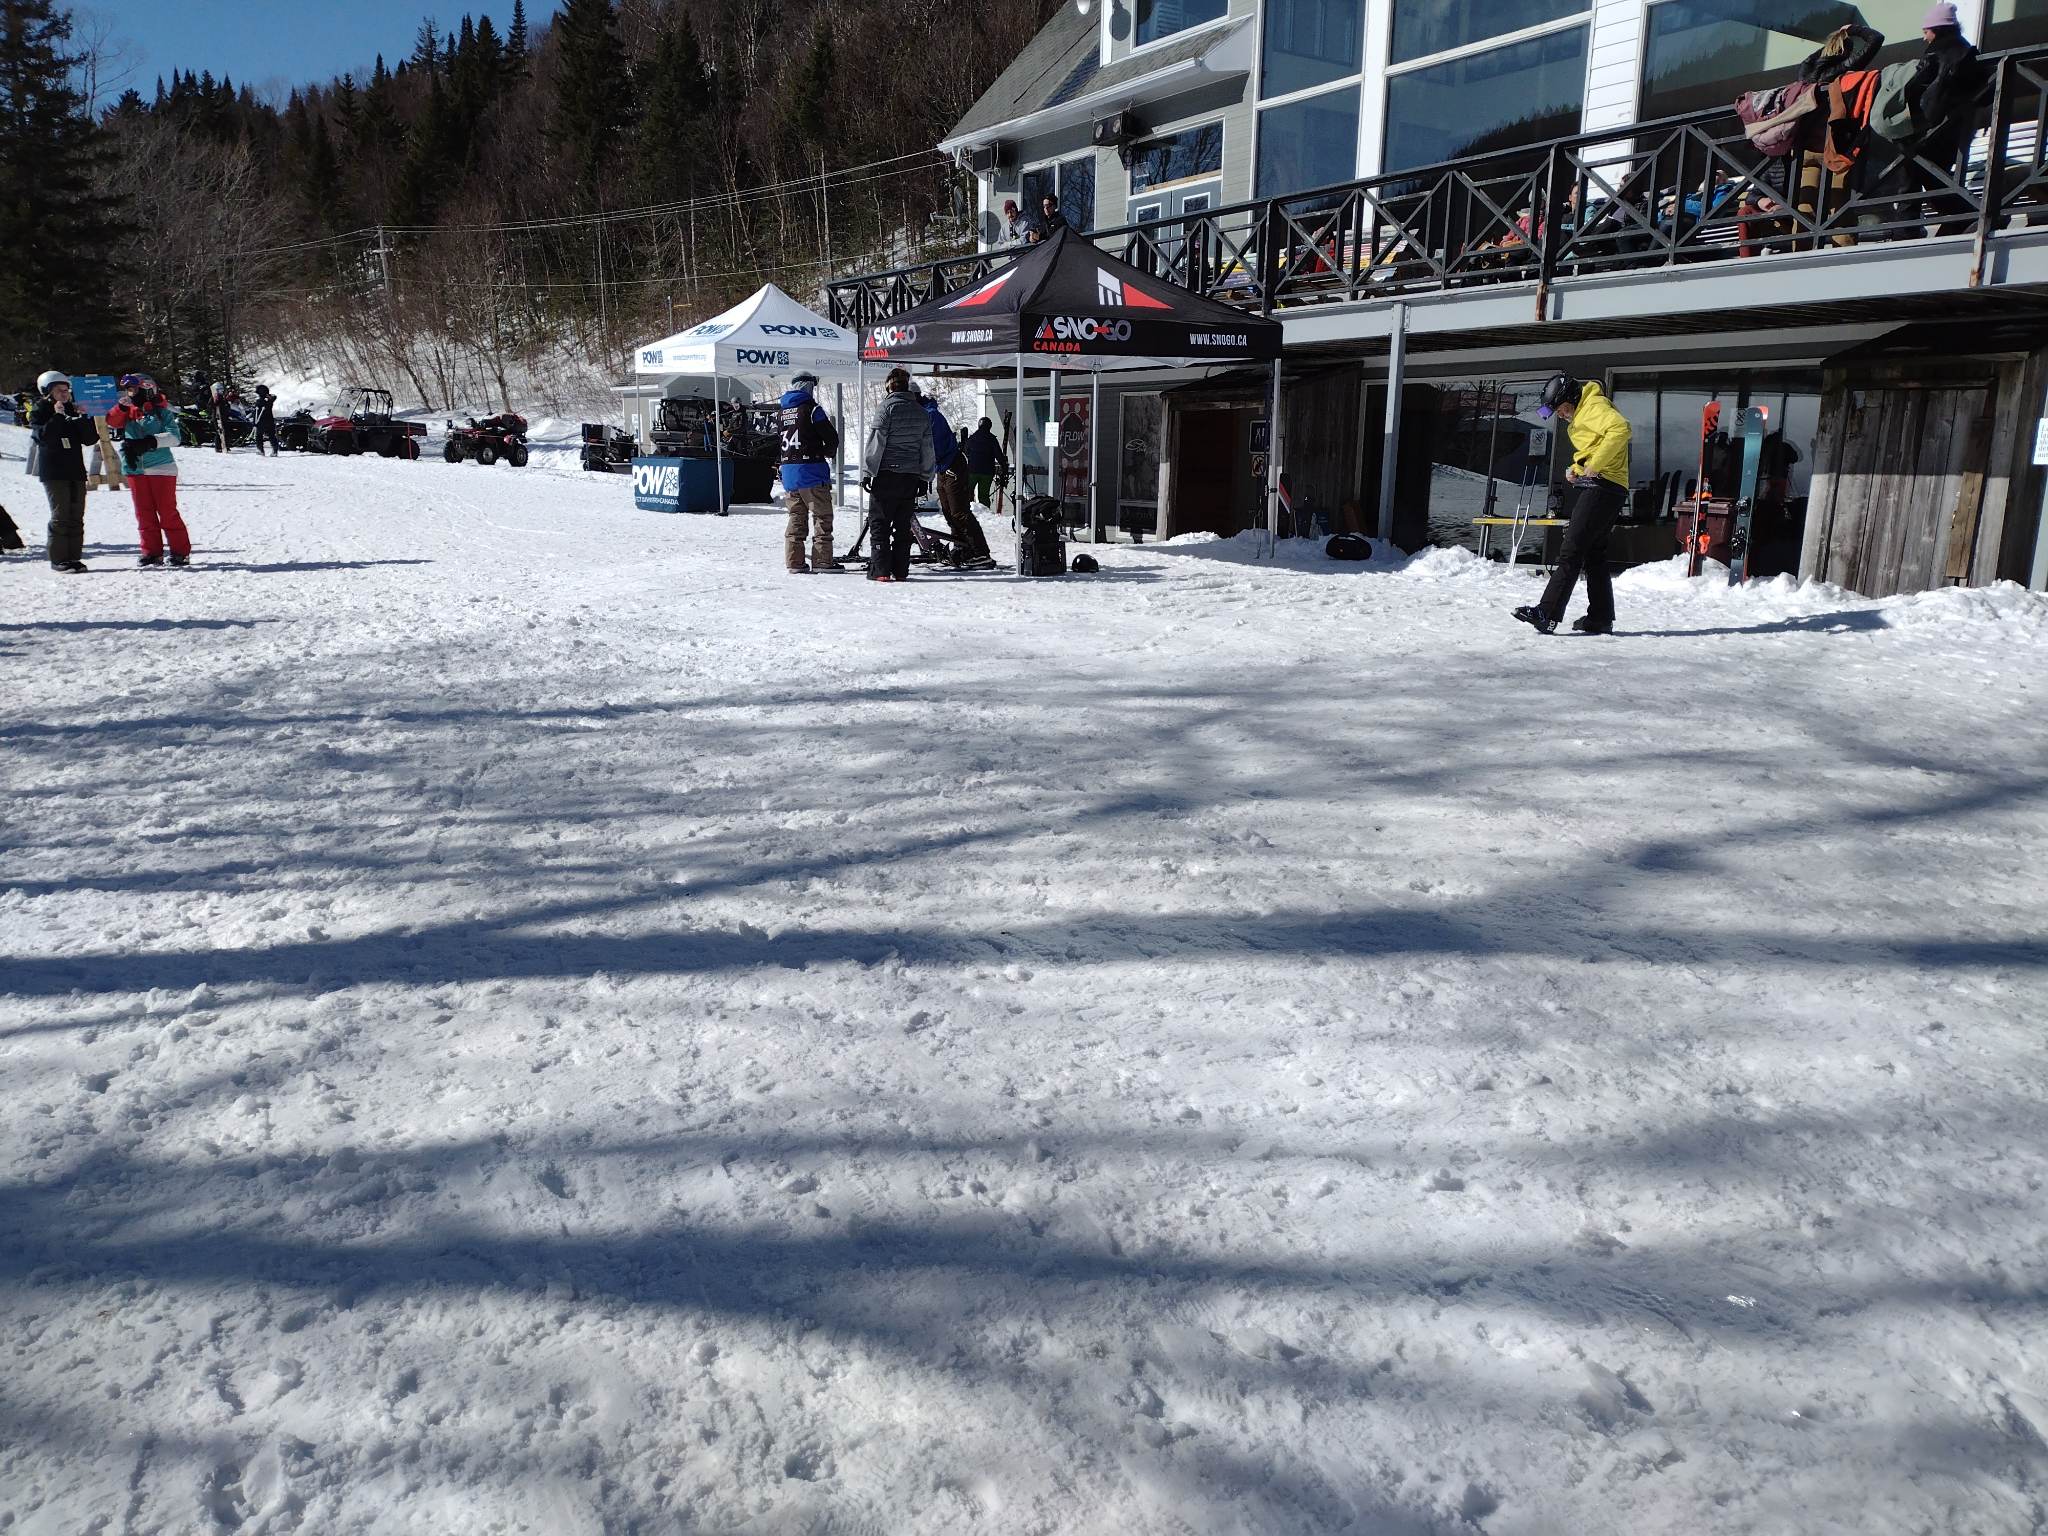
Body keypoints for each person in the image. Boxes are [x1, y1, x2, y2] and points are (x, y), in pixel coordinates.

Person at [1514, 373, 1632, 636]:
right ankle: (1600, 618)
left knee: (1571, 549)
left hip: (1605, 485)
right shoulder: (1583, 415)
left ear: (1572, 398)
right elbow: (1596, 446)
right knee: (1594, 554)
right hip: (1606, 486)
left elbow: (1620, 429)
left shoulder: (1594, 407)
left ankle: (1548, 613)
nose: (1561, 415)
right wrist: (1577, 467)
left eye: (1562, 409)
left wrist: (1595, 465)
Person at [1903, 2, 1988, 235]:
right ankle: (1960, 217)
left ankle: (1908, 227)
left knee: (1915, 167)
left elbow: (1914, 88)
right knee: (1933, 172)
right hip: (1958, 125)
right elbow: (1986, 92)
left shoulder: (1935, 52)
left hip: (1935, 124)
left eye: (1926, 32)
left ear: (1937, 29)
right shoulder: (1969, 52)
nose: (1924, 38)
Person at [107, 374, 192, 567]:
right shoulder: (128, 410)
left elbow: (175, 437)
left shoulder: (162, 412)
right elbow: (112, 421)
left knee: (167, 511)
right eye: (128, 390)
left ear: (147, 389)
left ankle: (180, 552)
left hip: (161, 468)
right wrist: (121, 407)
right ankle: (151, 552)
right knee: (143, 513)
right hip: (135, 468)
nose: (130, 394)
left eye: (134, 389)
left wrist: (150, 442)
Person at [861, 366, 934, 583]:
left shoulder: (886, 409)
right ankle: (901, 570)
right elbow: (927, 448)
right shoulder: (921, 412)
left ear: (889, 386)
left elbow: (877, 443)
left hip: (886, 475)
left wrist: (867, 471)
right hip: (910, 477)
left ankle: (881, 570)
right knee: (903, 526)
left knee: (879, 523)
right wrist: (925, 477)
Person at [28, 370, 93, 573]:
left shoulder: (72, 409)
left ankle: (74, 558)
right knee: (61, 514)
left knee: (76, 515)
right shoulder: (40, 411)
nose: (64, 394)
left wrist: (84, 417)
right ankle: (59, 559)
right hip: (54, 471)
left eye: (66, 390)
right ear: (48, 392)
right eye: (59, 391)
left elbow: (90, 439)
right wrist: (57, 417)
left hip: (75, 469)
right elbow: (43, 437)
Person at [917, 386, 990, 565]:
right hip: (942, 468)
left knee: (959, 511)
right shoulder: (922, 414)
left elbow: (935, 446)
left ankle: (980, 552)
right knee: (949, 512)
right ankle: (962, 546)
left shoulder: (931, 415)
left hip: (952, 466)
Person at [776, 371, 840, 573]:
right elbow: (832, 438)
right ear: (808, 386)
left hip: (789, 473)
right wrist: (823, 452)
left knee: (796, 518)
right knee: (821, 518)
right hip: (812, 472)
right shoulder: (812, 409)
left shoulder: (781, 411)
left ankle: (794, 562)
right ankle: (822, 561)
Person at [961, 416, 1009, 508]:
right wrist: (1004, 466)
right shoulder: (992, 439)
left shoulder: (972, 438)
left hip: (972, 471)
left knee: (968, 494)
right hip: (987, 472)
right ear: (989, 426)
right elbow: (998, 455)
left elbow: (965, 452)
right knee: (984, 496)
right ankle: (985, 514)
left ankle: (968, 512)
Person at [251, 384, 280, 456]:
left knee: (259, 435)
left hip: (261, 421)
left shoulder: (259, 402)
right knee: (272, 436)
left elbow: (256, 413)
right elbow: (274, 396)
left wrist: (254, 423)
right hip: (270, 420)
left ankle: (260, 450)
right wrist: (268, 396)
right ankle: (275, 450)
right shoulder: (269, 401)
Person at [209, 380, 230, 453]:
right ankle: (218, 447)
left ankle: (226, 445)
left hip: (224, 417)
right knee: (219, 432)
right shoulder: (214, 398)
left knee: (226, 431)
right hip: (217, 417)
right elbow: (210, 406)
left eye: (222, 389)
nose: (221, 391)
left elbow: (226, 406)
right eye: (220, 389)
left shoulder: (222, 397)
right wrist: (215, 403)